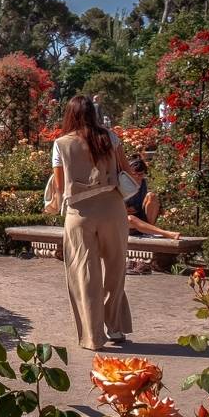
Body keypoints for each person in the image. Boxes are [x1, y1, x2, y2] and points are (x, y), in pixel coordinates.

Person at [46, 95, 133, 352]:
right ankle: (115, 326)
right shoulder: (110, 137)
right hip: (112, 208)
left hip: (80, 213)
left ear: (69, 115)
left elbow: (60, 187)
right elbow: (126, 171)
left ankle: (93, 337)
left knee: (84, 273)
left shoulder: (61, 144)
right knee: (116, 269)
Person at [124, 156, 180, 241]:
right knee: (130, 219)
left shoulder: (143, 183)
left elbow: (151, 204)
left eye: (140, 174)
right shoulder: (123, 183)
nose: (137, 177)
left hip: (141, 217)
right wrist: (123, 208)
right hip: (126, 222)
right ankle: (165, 233)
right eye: (134, 174)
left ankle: (149, 230)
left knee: (151, 196)